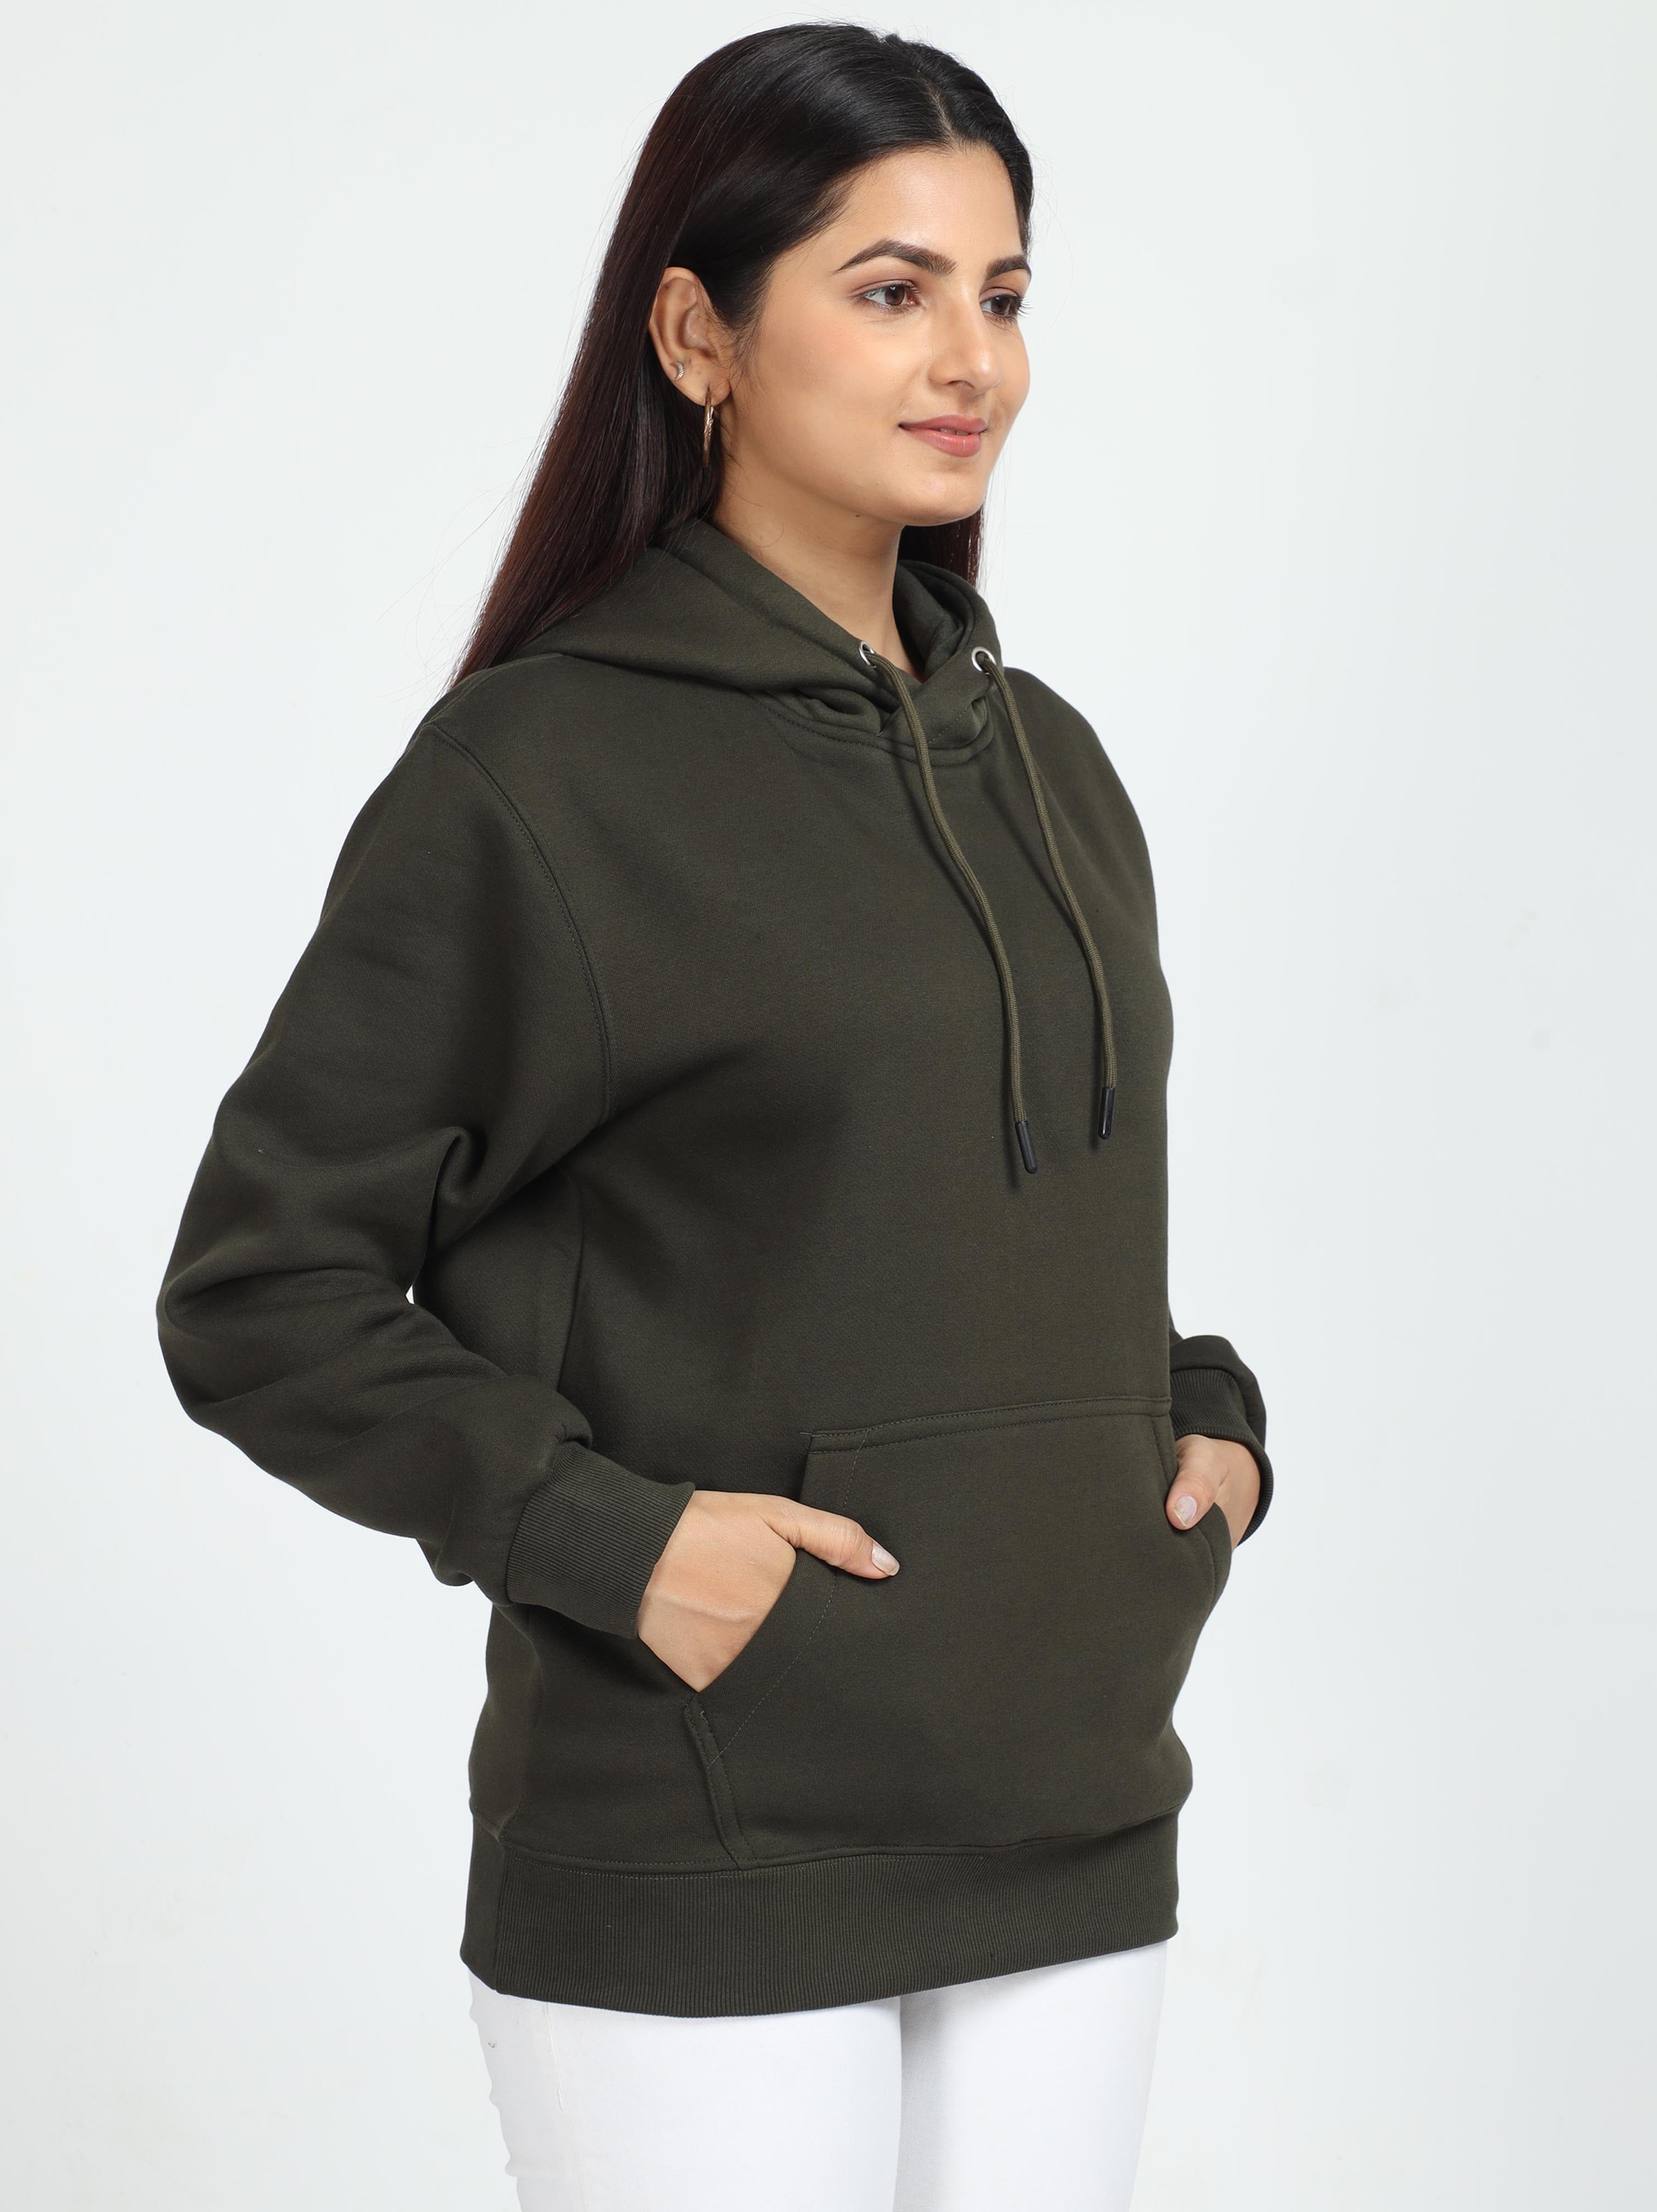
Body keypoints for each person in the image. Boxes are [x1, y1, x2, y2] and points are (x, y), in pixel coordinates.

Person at [156, 23, 1273, 2211]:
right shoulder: (537, 780)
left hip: (1074, 1825)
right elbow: (260, 1291)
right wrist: (612, 1540)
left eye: (1003, 291)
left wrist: (1197, 1420)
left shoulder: (1053, 767)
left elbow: (997, 1229)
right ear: (697, 333)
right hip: (704, 1849)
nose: (971, 358)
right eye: (890, 289)